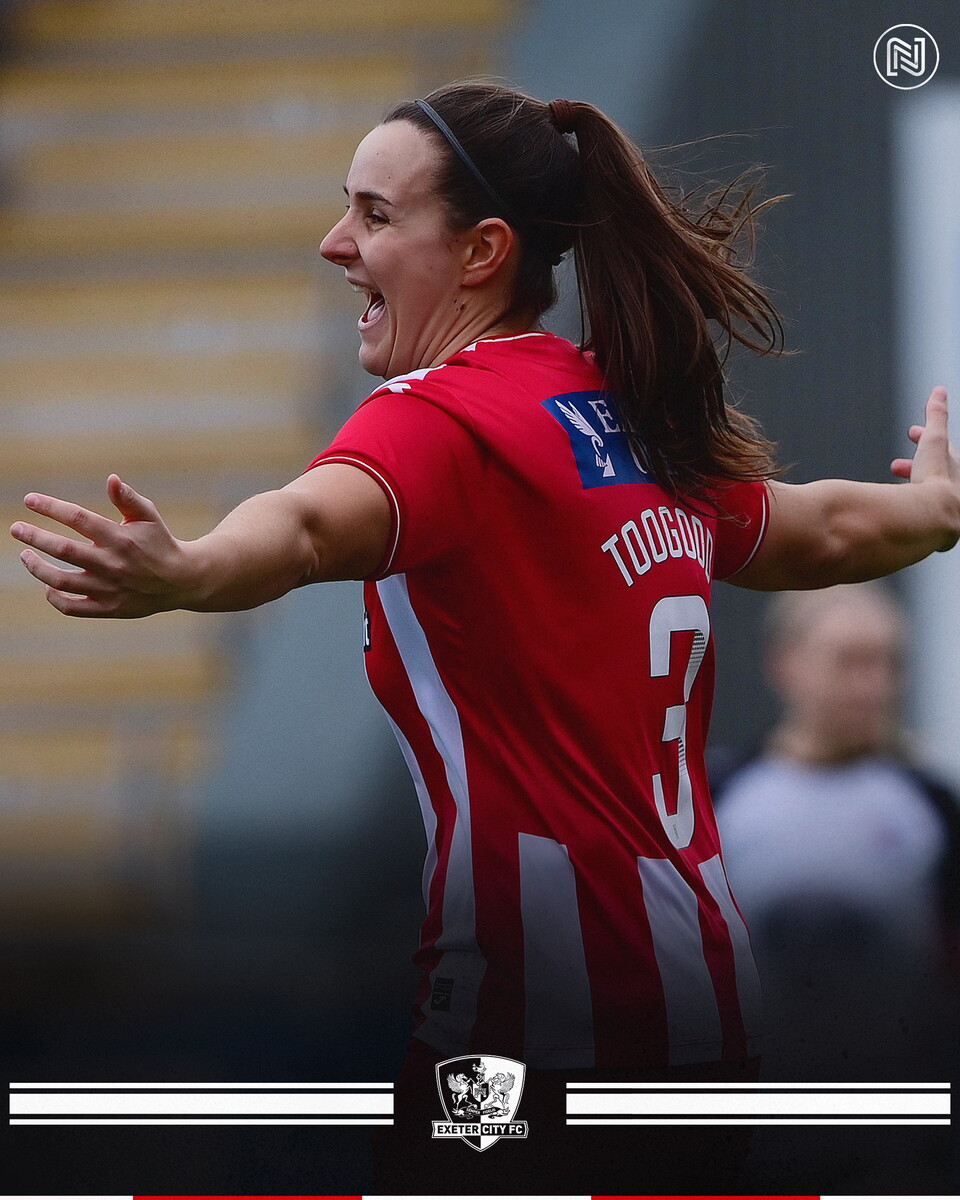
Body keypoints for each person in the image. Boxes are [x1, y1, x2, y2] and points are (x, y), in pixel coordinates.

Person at [10, 81, 960, 1192]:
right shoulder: (620, 411)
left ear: (481, 252)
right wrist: (931, 512)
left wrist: (192, 571)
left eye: (373, 214)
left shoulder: (446, 421)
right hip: (699, 1004)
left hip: (533, 1021)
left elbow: (312, 525)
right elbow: (822, 526)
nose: (335, 242)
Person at [713, 583, 960, 1080]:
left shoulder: (932, 805)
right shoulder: (716, 799)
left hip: (899, 1120)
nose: (874, 686)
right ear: (785, 665)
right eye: (851, 662)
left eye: (889, 664)